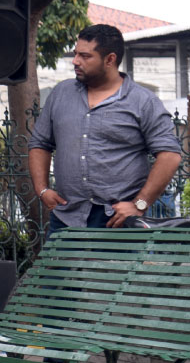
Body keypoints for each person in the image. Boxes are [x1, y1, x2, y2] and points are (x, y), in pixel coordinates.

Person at [28, 24, 179, 235]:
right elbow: (40, 143)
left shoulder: (142, 102)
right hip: (66, 215)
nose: (75, 61)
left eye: (85, 56)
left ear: (110, 59)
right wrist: (42, 189)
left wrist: (139, 205)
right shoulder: (61, 93)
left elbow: (170, 155)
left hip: (118, 220)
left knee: (115, 270)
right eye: (75, 54)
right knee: (58, 270)